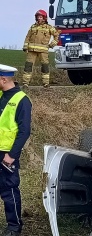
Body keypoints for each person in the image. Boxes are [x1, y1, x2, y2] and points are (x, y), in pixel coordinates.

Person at [0, 64, 31, 236]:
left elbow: (24, 131)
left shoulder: (22, 100)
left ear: (4, 79)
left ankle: (14, 226)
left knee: (9, 189)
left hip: (7, 154)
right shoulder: (1, 95)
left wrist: (12, 155)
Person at [22, 9, 60, 89]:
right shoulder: (32, 27)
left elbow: (56, 36)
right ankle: (25, 84)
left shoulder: (49, 27)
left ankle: (46, 84)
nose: (39, 18)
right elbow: (27, 37)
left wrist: (52, 44)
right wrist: (25, 47)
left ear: (44, 18)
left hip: (43, 51)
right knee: (28, 66)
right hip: (32, 51)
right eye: (38, 17)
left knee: (45, 67)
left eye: (40, 17)